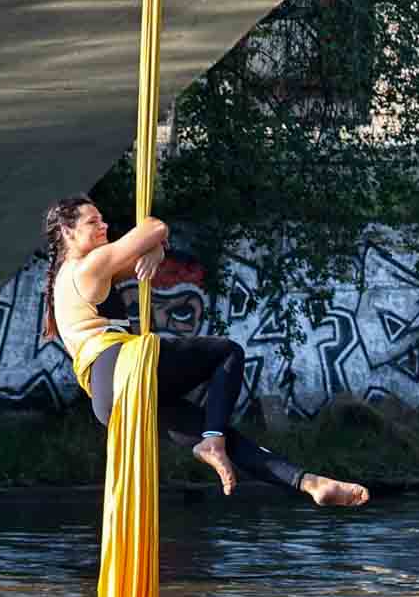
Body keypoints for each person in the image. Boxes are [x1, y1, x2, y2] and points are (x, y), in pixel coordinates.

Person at [41, 195, 367, 507]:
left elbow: (146, 251)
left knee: (222, 437)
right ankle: (212, 439)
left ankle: (309, 482)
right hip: (121, 368)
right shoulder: (89, 266)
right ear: (68, 232)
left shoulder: (69, 277)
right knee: (227, 353)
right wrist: (154, 244)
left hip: (107, 398)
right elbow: (154, 227)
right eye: (92, 221)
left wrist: (155, 252)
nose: (104, 225)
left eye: (102, 219)